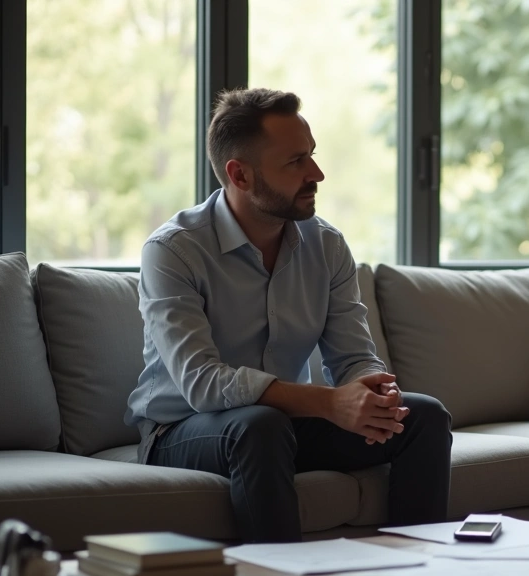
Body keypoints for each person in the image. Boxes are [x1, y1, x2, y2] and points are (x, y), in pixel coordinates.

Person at [125, 88, 452, 543]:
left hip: (285, 428)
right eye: (295, 162)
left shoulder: (327, 244)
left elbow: (354, 357)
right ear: (240, 175)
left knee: (423, 418)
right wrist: (329, 403)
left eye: (312, 156)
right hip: (183, 431)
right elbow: (203, 384)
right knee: (260, 425)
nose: (316, 174)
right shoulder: (173, 251)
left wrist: (374, 394)